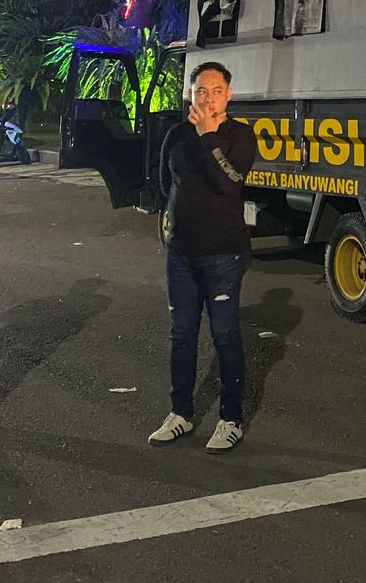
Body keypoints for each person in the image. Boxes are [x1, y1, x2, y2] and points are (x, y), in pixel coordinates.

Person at [147, 61, 258, 454]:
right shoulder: (175, 135)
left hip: (223, 254)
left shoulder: (239, 136)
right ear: (188, 94)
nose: (206, 97)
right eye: (199, 90)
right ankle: (180, 412)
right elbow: (165, 185)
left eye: (214, 90)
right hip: (180, 253)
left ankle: (231, 418)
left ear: (228, 95)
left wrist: (209, 136)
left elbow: (230, 183)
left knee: (225, 335)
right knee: (181, 334)